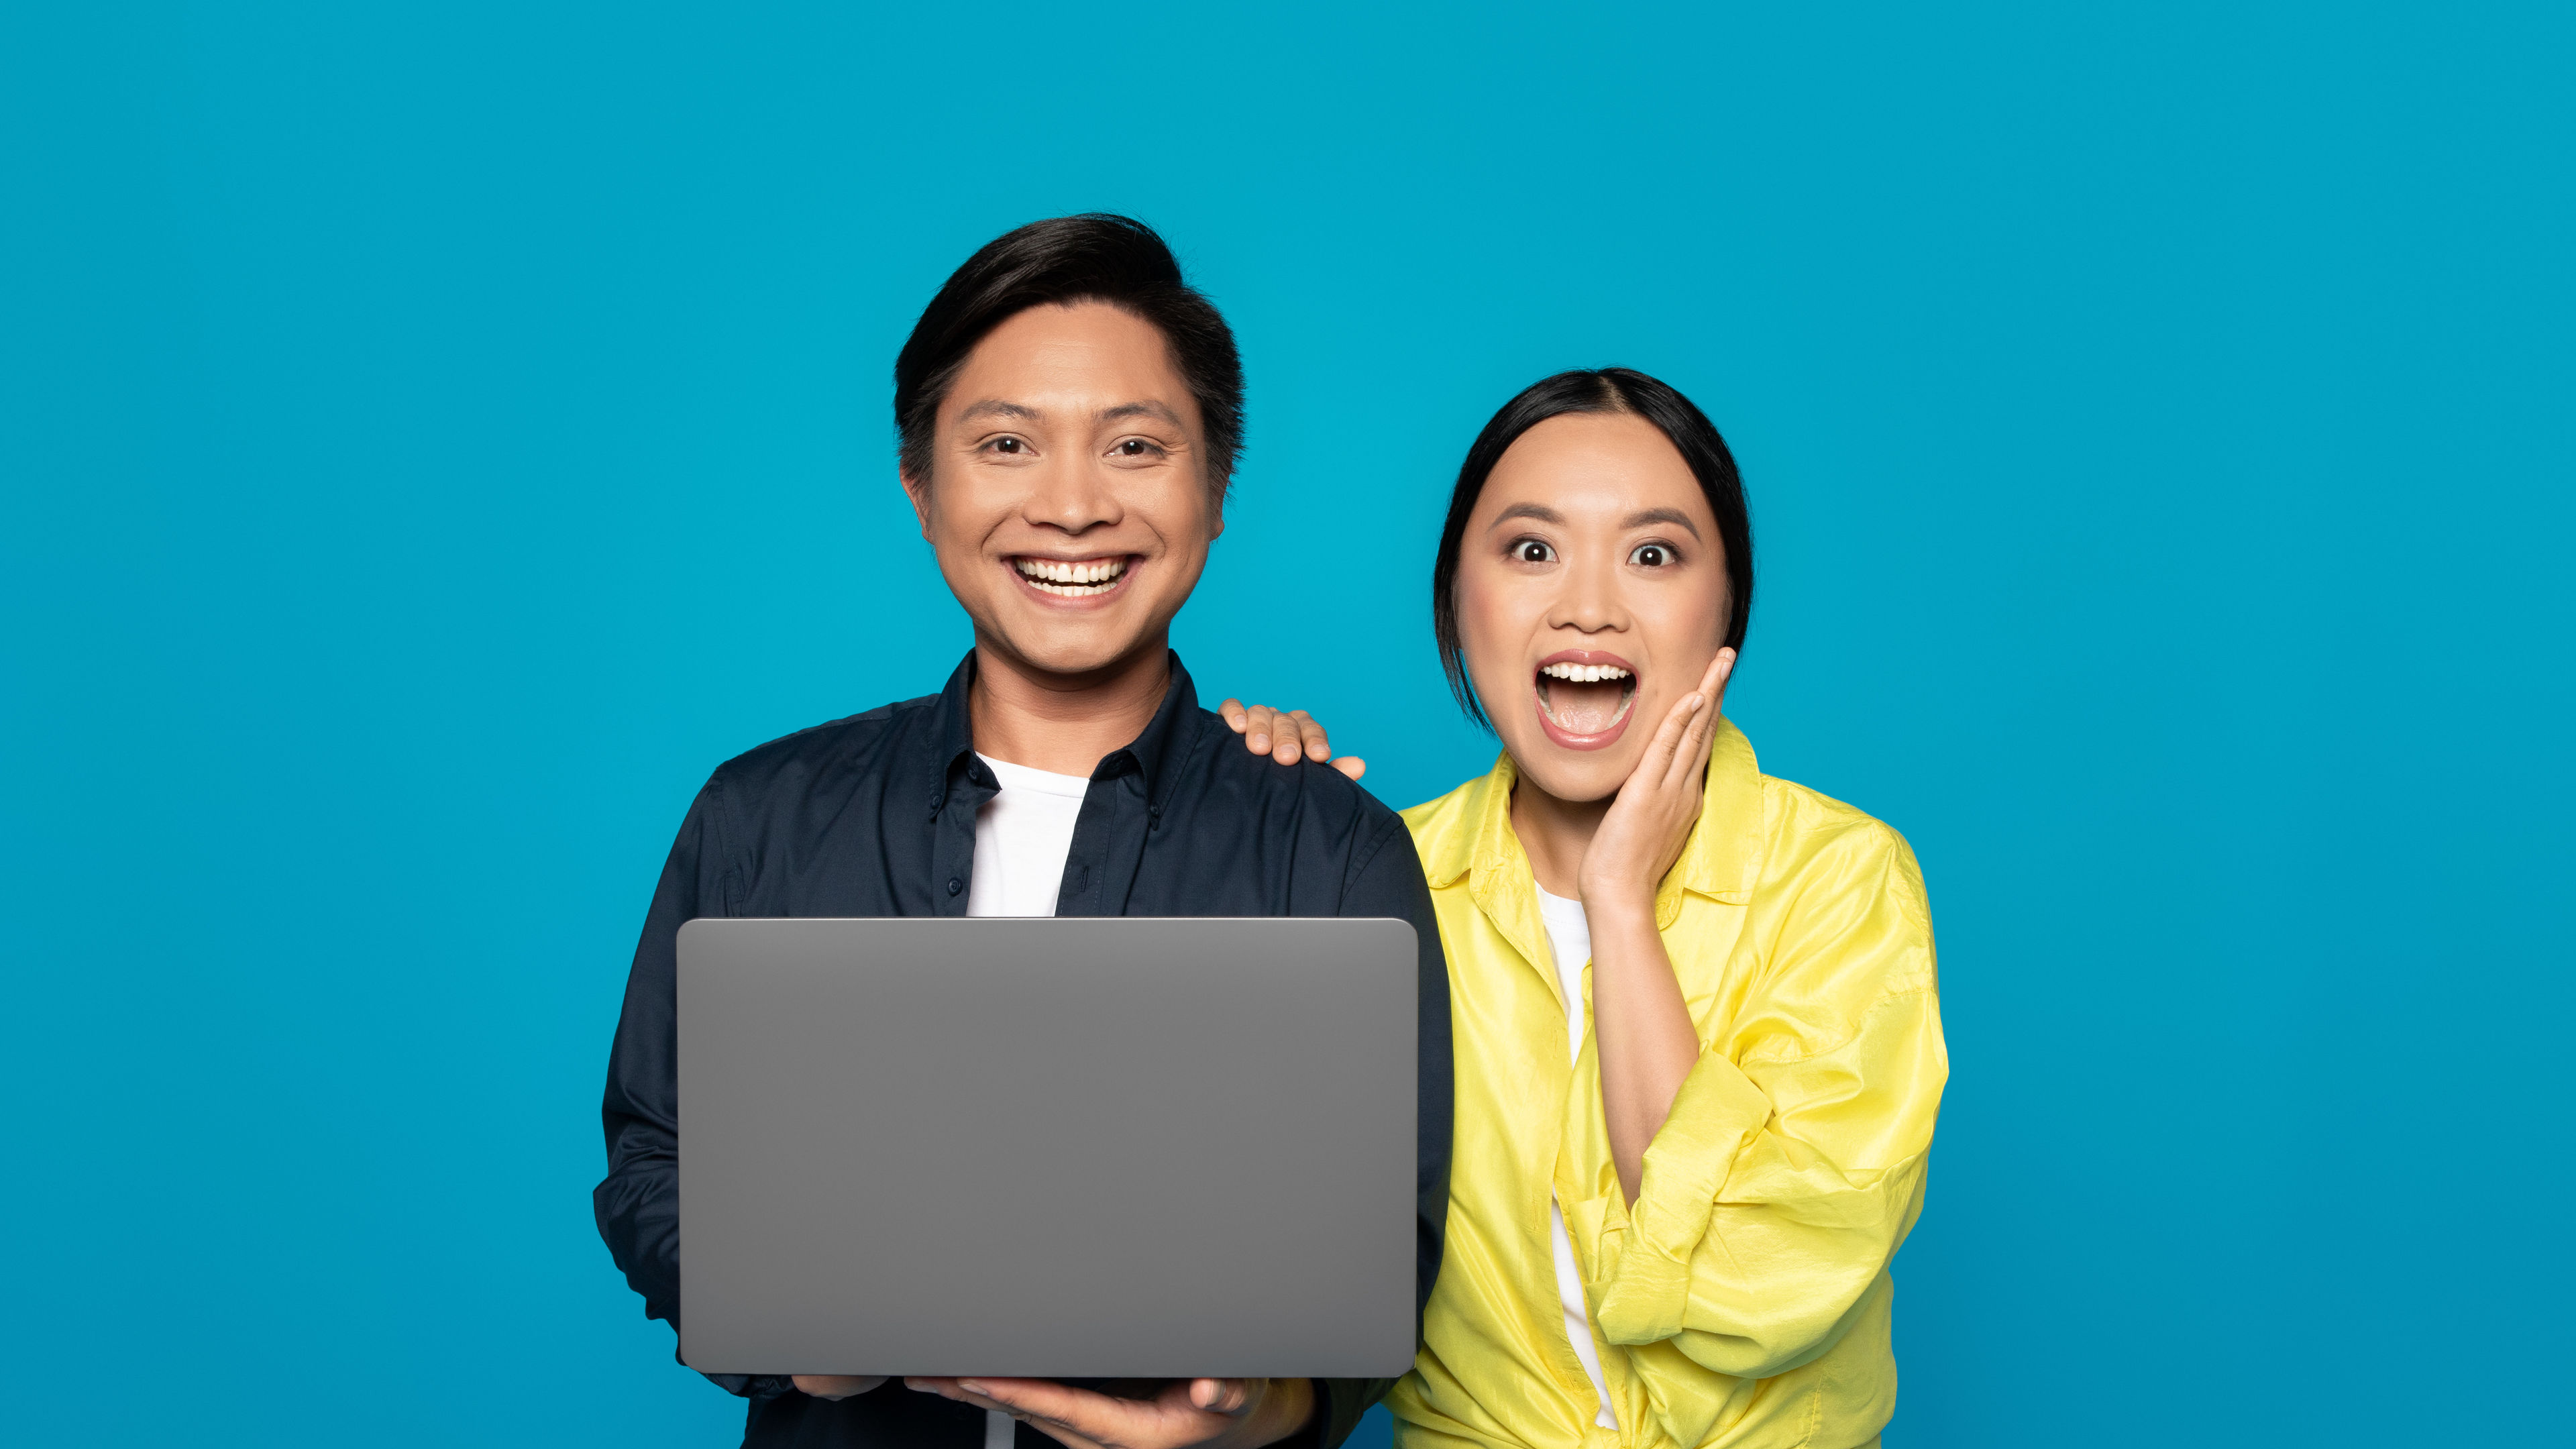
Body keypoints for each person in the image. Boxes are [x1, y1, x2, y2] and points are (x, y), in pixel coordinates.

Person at [594, 215, 1452, 1449]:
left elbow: (1382, 1246)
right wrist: (798, 1337)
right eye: (1005, 444)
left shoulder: (1329, 850)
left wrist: (1252, 1414)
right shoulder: (763, 816)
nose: (1070, 506)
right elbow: (656, 1158)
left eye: (1135, 448)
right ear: (921, 485)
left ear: (1215, 492)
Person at [1232, 368, 1945, 1448]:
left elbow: (1747, 1288)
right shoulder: (1373, 884)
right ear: (1456, 598)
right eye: (1530, 550)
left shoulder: (1839, 879)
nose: (1589, 606)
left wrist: (1620, 903)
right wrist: (1214, 810)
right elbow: (1257, 1263)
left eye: (1654, 555)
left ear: (1727, 612)